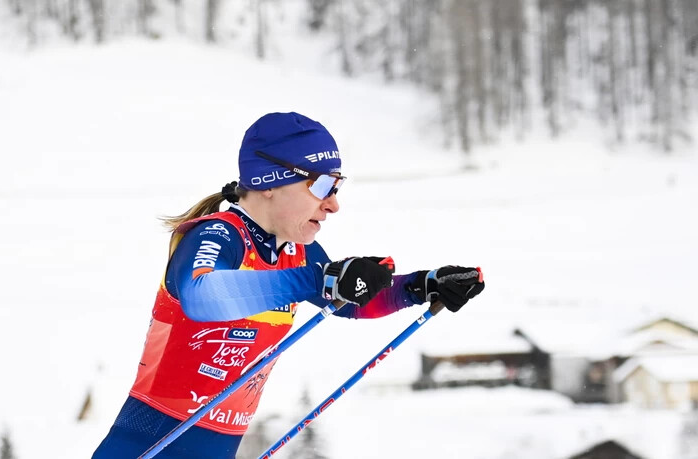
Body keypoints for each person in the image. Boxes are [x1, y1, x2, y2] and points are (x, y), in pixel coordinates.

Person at [92, 112, 485, 458]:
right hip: (146, 445)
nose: (333, 204)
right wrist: (318, 279)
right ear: (269, 183)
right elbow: (203, 296)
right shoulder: (217, 236)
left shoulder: (296, 251)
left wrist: (422, 287)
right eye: (322, 186)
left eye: (337, 187)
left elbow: (350, 302)